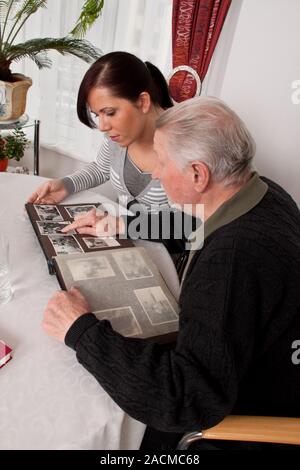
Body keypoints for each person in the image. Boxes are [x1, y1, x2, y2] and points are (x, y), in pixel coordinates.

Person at [42, 96, 300, 450]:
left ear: (198, 174)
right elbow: (194, 225)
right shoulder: (263, 192)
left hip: (242, 419)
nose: (155, 171)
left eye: (161, 161)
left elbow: (182, 399)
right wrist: (123, 223)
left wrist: (81, 332)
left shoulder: (232, 260)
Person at [27, 51, 173, 213]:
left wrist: (123, 225)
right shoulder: (119, 135)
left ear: (143, 101)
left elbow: (189, 224)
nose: (102, 126)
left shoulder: (188, 143)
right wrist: (66, 185)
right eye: (98, 115)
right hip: (121, 235)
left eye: (110, 113)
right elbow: (101, 168)